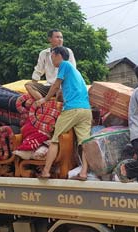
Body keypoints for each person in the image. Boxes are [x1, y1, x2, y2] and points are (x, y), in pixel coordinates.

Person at [37, 46, 91, 180]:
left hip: (72, 109)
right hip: (86, 110)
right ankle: (84, 173)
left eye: (52, 57)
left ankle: (46, 171)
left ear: (58, 55)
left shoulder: (65, 65)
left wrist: (45, 99)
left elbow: (56, 85)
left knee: (55, 139)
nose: (52, 60)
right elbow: (63, 91)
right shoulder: (76, 72)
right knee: (85, 142)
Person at [25, 29, 77, 100]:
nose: (60, 40)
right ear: (50, 39)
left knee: (61, 93)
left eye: (61, 37)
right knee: (29, 85)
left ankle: (46, 101)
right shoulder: (44, 53)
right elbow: (38, 71)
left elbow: (72, 71)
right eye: (57, 37)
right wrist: (34, 86)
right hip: (49, 86)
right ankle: (42, 103)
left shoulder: (68, 52)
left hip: (63, 86)